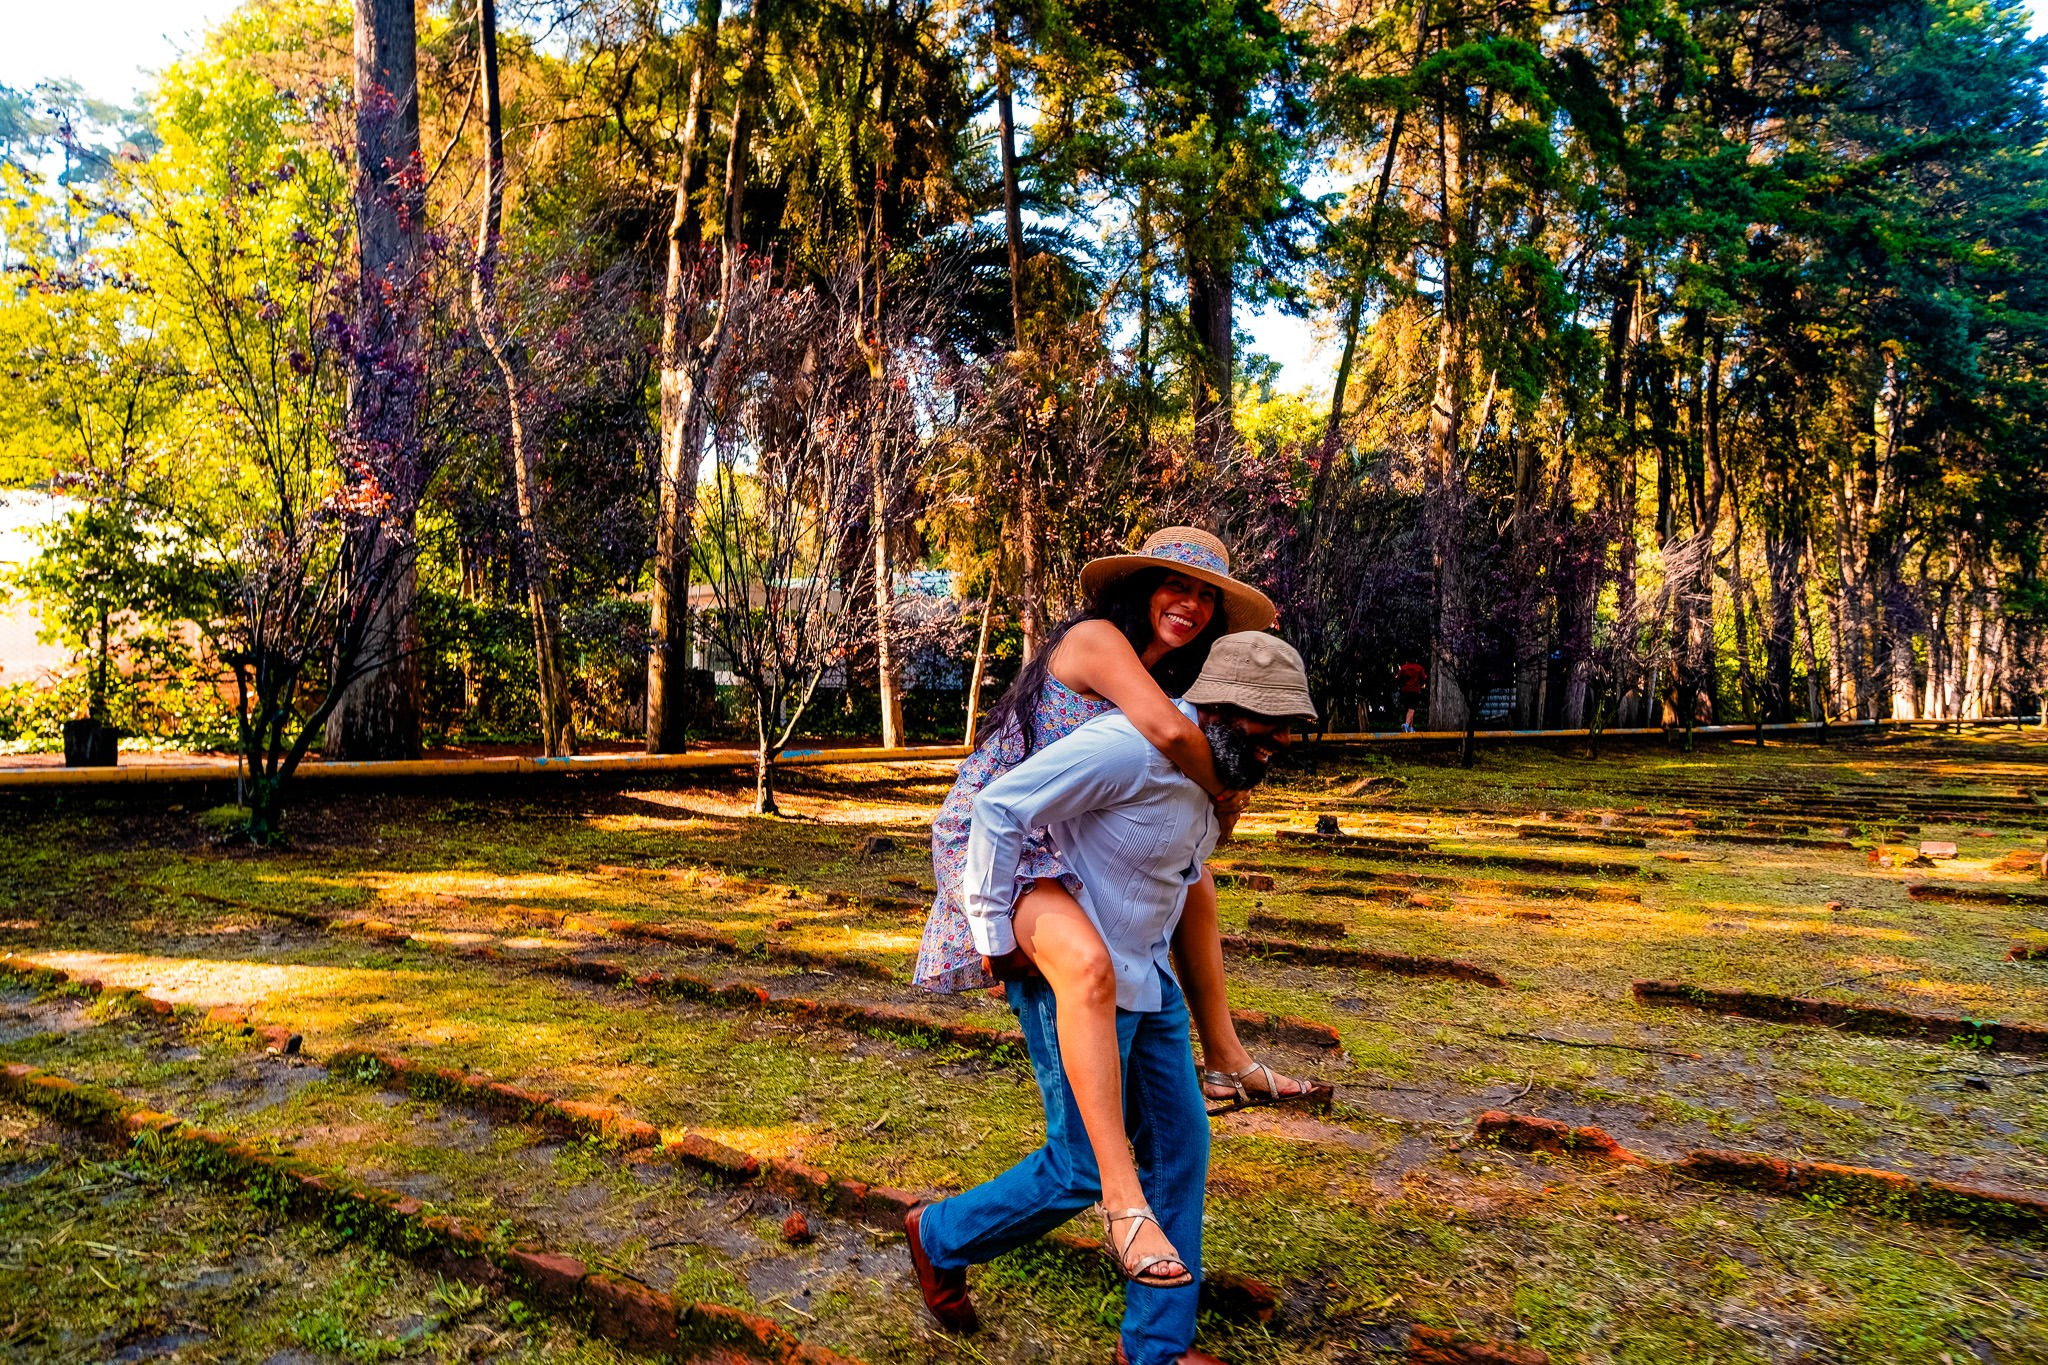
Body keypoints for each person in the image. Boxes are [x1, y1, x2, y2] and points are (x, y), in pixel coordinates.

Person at [913, 528, 1322, 1286]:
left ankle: (1225, 1055)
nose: (1192, 605)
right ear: (1139, 589)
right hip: (1010, 829)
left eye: (1208, 597)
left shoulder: (1168, 674)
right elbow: (1168, 733)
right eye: (1178, 587)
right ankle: (1112, 1197)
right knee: (1088, 969)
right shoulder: (1100, 639)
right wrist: (1225, 785)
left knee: (1197, 881)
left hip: (1073, 830)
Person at [1396, 659, 1428, 733]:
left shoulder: (1403, 667)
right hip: (1414, 691)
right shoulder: (1419, 667)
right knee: (1412, 709)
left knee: (1409, 710)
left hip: (1405, 691)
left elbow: (1398, 678)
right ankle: (1406, 725)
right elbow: (1424, 678)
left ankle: (1410, 728)